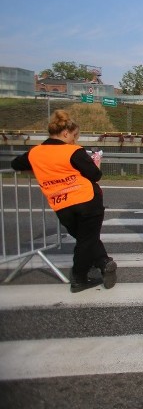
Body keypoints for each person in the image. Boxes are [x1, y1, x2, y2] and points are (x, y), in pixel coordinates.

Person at [11, 110, 117, 293]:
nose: (74, 140)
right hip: (87, 199)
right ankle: (79, 278)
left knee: (86, 239)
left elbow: (15, 164)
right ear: (66, 133)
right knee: (87, 240)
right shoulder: (73, 151)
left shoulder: (35, 153)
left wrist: (41, 170)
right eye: (74, 136)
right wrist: (95, 164)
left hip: (61, 203)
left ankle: (103, 261)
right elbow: (95, 175)